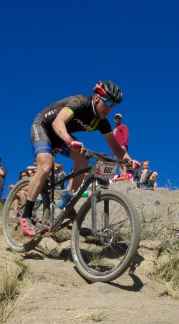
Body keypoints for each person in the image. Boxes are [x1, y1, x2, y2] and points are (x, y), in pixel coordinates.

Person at [19, 80, 138, 237]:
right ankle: (25, 215)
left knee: (84, 160)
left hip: (62, 136)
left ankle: (66, 202)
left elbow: (116, 148)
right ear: (96, 98)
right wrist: (69, 140)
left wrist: (129, 161)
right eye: (107, 102)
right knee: (46, 167)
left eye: (113, 105)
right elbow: (57, 122)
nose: (109, 108)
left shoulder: (102, 123)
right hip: (44, 127)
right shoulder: (80, 102)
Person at [113, 113, 130, 177]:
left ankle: (125, 174)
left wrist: (123, 144)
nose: (117, 119)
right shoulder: (114, 130)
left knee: (123, 160)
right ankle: (122, 175)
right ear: (114, 119)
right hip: (115, 148)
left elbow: (126, 136)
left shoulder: (123, 126)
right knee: (118, 162)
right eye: (116, 118)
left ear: (121, 119)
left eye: (119, 118)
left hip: (121, 146)